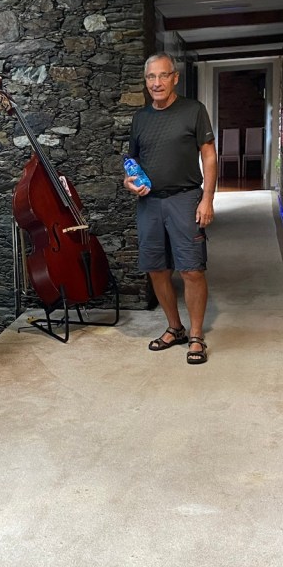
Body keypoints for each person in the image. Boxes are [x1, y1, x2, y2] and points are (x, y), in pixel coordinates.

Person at [124, 53, 217, 365]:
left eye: (163, 75)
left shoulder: (193, 110)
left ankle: (196, 335)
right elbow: (133, 161)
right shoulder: (140, 119)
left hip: (185, 198)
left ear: (175, 78)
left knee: (192, 269)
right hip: (149, 203)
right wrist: (128, 181)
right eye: (151, 77)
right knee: (157, 268)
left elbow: (209, 155)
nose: (157, 83)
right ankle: (174, 328)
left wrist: (207, 199)